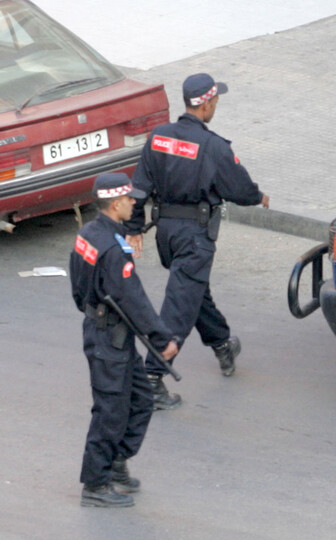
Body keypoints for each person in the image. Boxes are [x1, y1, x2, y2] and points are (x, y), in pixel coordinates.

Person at [125, 73, 270, 410]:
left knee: (193, 293)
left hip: (167, 236)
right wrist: (258, 197)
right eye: (215, 100)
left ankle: (222, 345)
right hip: (195, 238)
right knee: (178, 308)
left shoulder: (159, 137)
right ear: (206, 103)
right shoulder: (214, 147)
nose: (216, 104)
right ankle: (151, 379)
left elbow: (139, 188)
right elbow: (240, 188)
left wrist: (133, 227)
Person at [70, 173, 180, 507]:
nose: (135, 203)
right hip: (109, 338)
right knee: (110, 412)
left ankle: (116, 462)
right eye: (130, 199)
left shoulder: (89, 234)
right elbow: (133, 298)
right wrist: (162, 338)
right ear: (116, 203)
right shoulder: (114, 249)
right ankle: (96, 485)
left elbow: (78, 289)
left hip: (110, 334)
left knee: (141, 400)